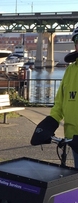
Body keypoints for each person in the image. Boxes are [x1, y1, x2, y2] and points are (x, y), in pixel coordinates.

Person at [31, 27, 78, 167]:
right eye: (77, 40)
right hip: (73, 139)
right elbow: (60, 102)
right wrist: (50, 122)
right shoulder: (71, 69)